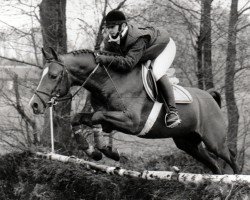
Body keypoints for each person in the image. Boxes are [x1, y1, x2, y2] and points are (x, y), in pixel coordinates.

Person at [96, 9, 181, 128]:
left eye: (112, 27)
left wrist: (105, 59)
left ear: (123, 25)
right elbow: (109, 60)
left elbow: (128, 63)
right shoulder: (109, 40)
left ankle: (172, 112)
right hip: (145, 52)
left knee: (156, 72)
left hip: (164, 47)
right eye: (107, 27)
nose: (109, 30)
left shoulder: (137, 38)